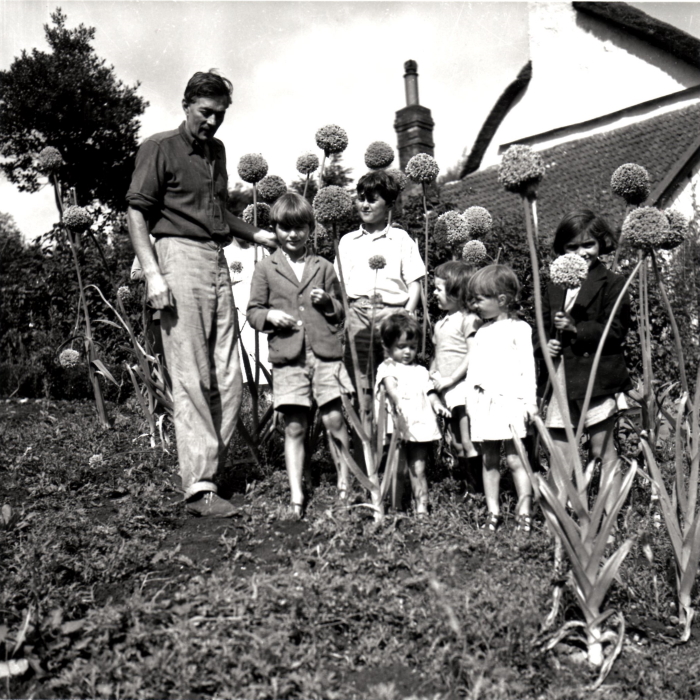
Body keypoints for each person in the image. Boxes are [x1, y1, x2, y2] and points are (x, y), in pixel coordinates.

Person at [126, 71, 277, 518]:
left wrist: (257, 234)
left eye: (220, 115)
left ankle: (211, 472)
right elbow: (137, 214)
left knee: (229, 374)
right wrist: (153, 275)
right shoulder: (159, 148)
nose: (212, 122)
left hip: (214, 258)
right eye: (205, 112)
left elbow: (219, 213)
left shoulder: (217, 152)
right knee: (190, 373)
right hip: (176, 257)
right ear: (186, 104)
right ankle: (199, 488)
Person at [246, 193, 352, 518]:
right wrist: (270, 318)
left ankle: (346, 486)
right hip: (288, 357)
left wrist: (327, 303)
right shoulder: (266, 268)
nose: (293, 235)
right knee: (294, 426)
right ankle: (296, 496)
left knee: (334, 418)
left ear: (311, 228)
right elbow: (253, 311)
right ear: (275, 229)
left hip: (325, 355)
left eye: (300, 228)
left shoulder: (324, 266)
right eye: (285, 228)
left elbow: (341, 312)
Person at [541, 210, 632, 512]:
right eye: (571, 247)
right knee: (560, 449)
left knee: (601, 448)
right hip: (561, 378)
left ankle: (611, 518)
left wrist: (576, 329)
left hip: (595, 376)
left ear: (601, 244)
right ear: (561, 250)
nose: (581, 253)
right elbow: (539, 326)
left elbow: (616, 330)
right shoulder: (554, 283)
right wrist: (546, 344)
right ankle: (559, 519)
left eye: (588, 245)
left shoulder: (612, 282)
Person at [336, 170, 426, 397]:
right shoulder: (348, 241)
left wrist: (407, 313)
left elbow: (414, 282)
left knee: (396, 382)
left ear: (389, 205)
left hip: (394, 314)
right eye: (361, 198)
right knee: (360, 382)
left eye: (372, 200)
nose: (364, 205)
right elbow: (338, 284)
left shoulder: (400, 239)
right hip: (358, 314)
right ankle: (364, 429)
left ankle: (393, 431)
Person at [465, 265, 538, 532]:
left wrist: (529, 402)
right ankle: (493, 512)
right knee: (489, 459)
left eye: (479, 299)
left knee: (516, 459)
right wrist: (471, 402)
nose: (474, 305)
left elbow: (528, 368)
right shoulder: (482, 332)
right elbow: (474, 371)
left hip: (511, 402)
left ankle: (525, 512)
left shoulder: (520, 329)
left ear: (502, 300)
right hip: (485, 403)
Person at [375, 313, 451, 517]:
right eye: (401, 347)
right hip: (398, 425)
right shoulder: (387, 367)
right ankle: (396, 506)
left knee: (419, 468)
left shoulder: (421, 370)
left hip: (420, 425)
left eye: (412, 347)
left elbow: (430, 392)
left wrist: (437, 405)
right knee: (397, 468)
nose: (408, 352)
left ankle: (422, 508)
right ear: (389, 346)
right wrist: (398, 399)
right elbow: (390, 386)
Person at [429, 261, 482, 491]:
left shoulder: (468, 319)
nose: (434, 293)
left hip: (463, 387)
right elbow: (438, 354)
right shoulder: (441, 323)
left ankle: (477, 491)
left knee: (468, 440)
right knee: (457, 442)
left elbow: (474, 352)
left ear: (457, 292)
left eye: (439, 289)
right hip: (447, 389)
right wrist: (432, 374)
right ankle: (464, 486)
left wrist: (452, 379)